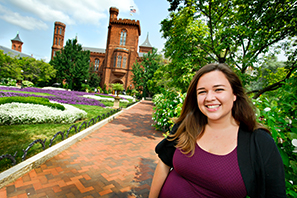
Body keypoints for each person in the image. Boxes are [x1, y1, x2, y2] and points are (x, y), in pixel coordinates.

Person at [149, 63, 286, 198]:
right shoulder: (187, 126)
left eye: (218, 89)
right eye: (202, 92)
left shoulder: (259, 142)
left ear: (235, 94)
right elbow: (164, 163)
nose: (209, 98)